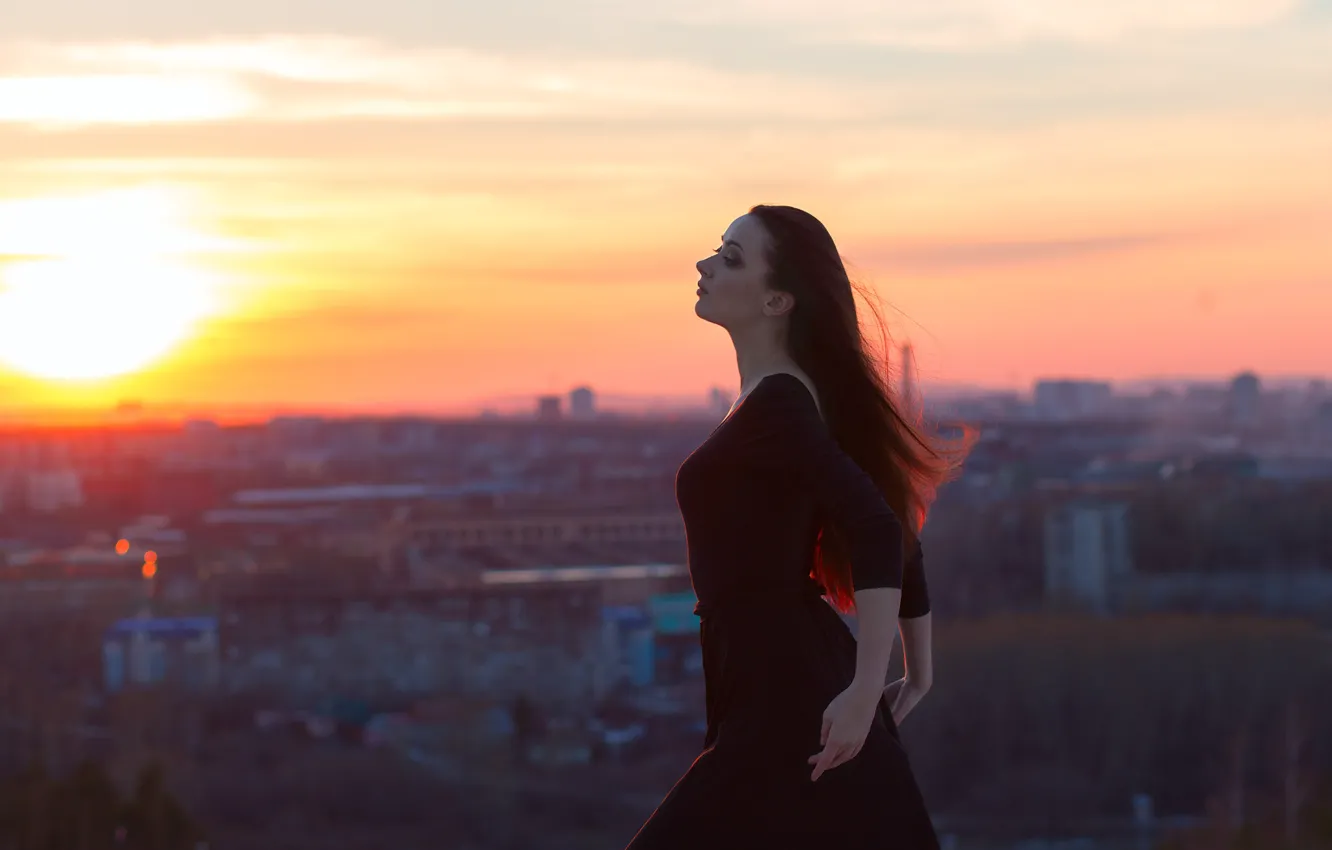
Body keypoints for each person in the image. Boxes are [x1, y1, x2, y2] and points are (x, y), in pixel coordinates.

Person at [623, 205, 969, 849]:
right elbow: (894, 522)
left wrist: (869, 688)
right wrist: (916, 672)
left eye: (730, 258)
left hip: (786, 694)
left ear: (778, 299)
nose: (704, 265)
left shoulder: (780, 401)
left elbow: (874, 527)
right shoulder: (783, 398)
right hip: (765, 686)